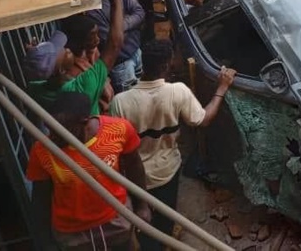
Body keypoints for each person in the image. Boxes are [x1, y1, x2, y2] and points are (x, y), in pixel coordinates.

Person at [109, 40, 236, 251]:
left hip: (135, 178)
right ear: (168, 65)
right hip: (167, 171)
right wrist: (222, 88)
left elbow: (119, 148)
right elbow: (203, 120)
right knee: (165, 220)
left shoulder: (120, 102)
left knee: (142, 223)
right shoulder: (177, 92)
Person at [27, 92, 151, 250]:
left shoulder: (118, 129)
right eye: (50, 130)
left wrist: (142, 205)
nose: (52, 137)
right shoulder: (42, 150)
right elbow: (40, 196)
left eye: (60, 131)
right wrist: (45, 240)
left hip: (116, 220)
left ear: (84, 122)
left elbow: (134, 166)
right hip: (72, 234)